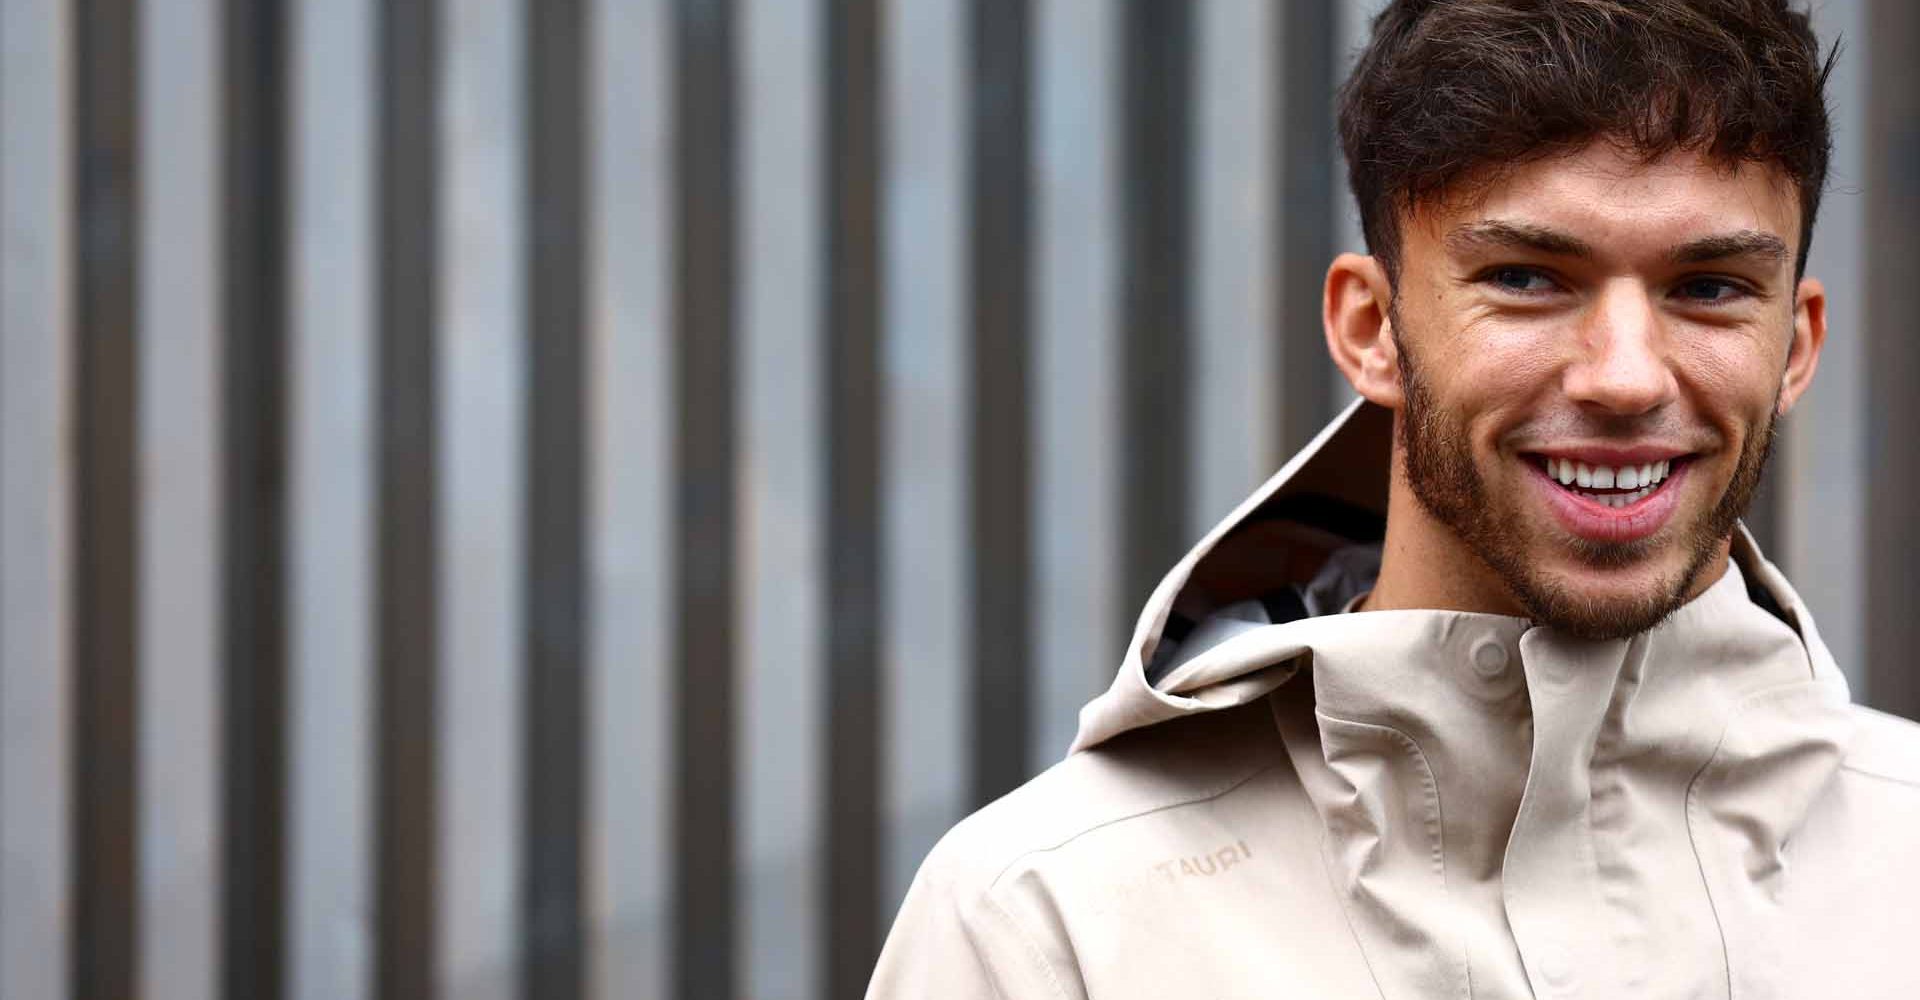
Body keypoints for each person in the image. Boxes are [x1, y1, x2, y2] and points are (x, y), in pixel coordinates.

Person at [867, 1, 1920, 996]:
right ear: (1370, 328)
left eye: (1709, 289)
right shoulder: (1049, 921)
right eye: (1526, 276)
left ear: (1797, 345)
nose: (1626, 376)